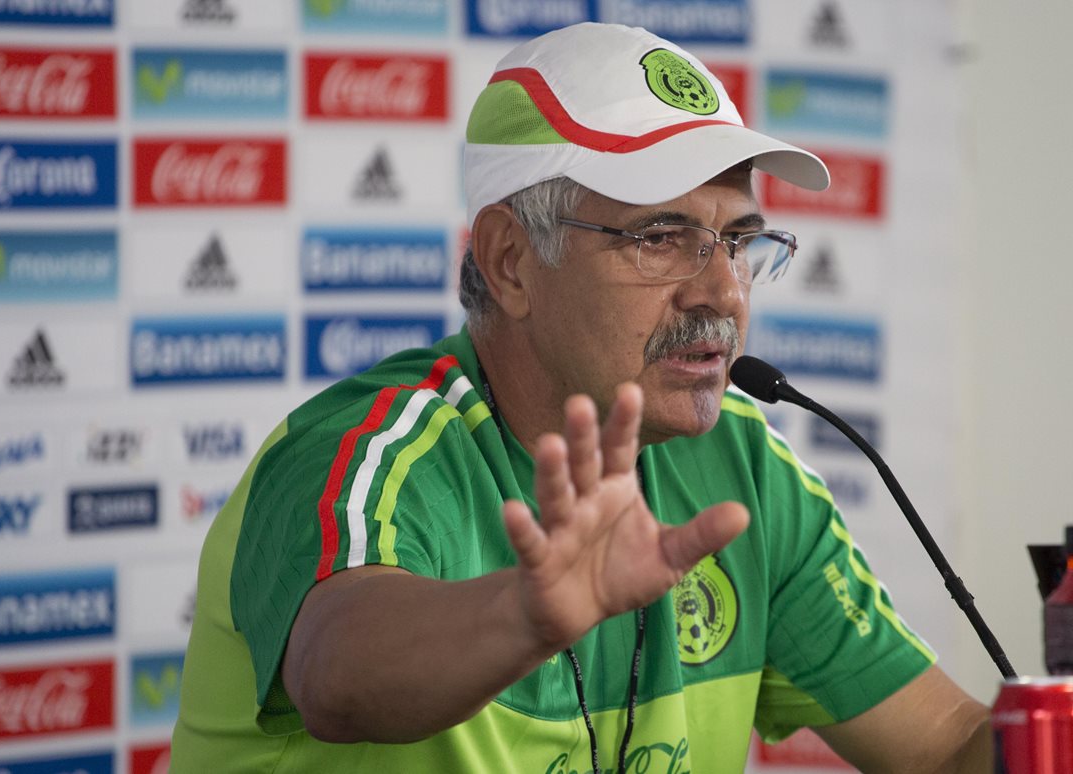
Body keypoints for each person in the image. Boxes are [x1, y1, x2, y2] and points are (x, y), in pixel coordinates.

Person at [171, 22, 989, 773]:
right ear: (511, 262)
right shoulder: (364, 448)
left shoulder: (746, 470)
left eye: (738, 242)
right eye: (662, 236)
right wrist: (524, 617)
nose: (722, 293)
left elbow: (948, 746)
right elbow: (336, 671)